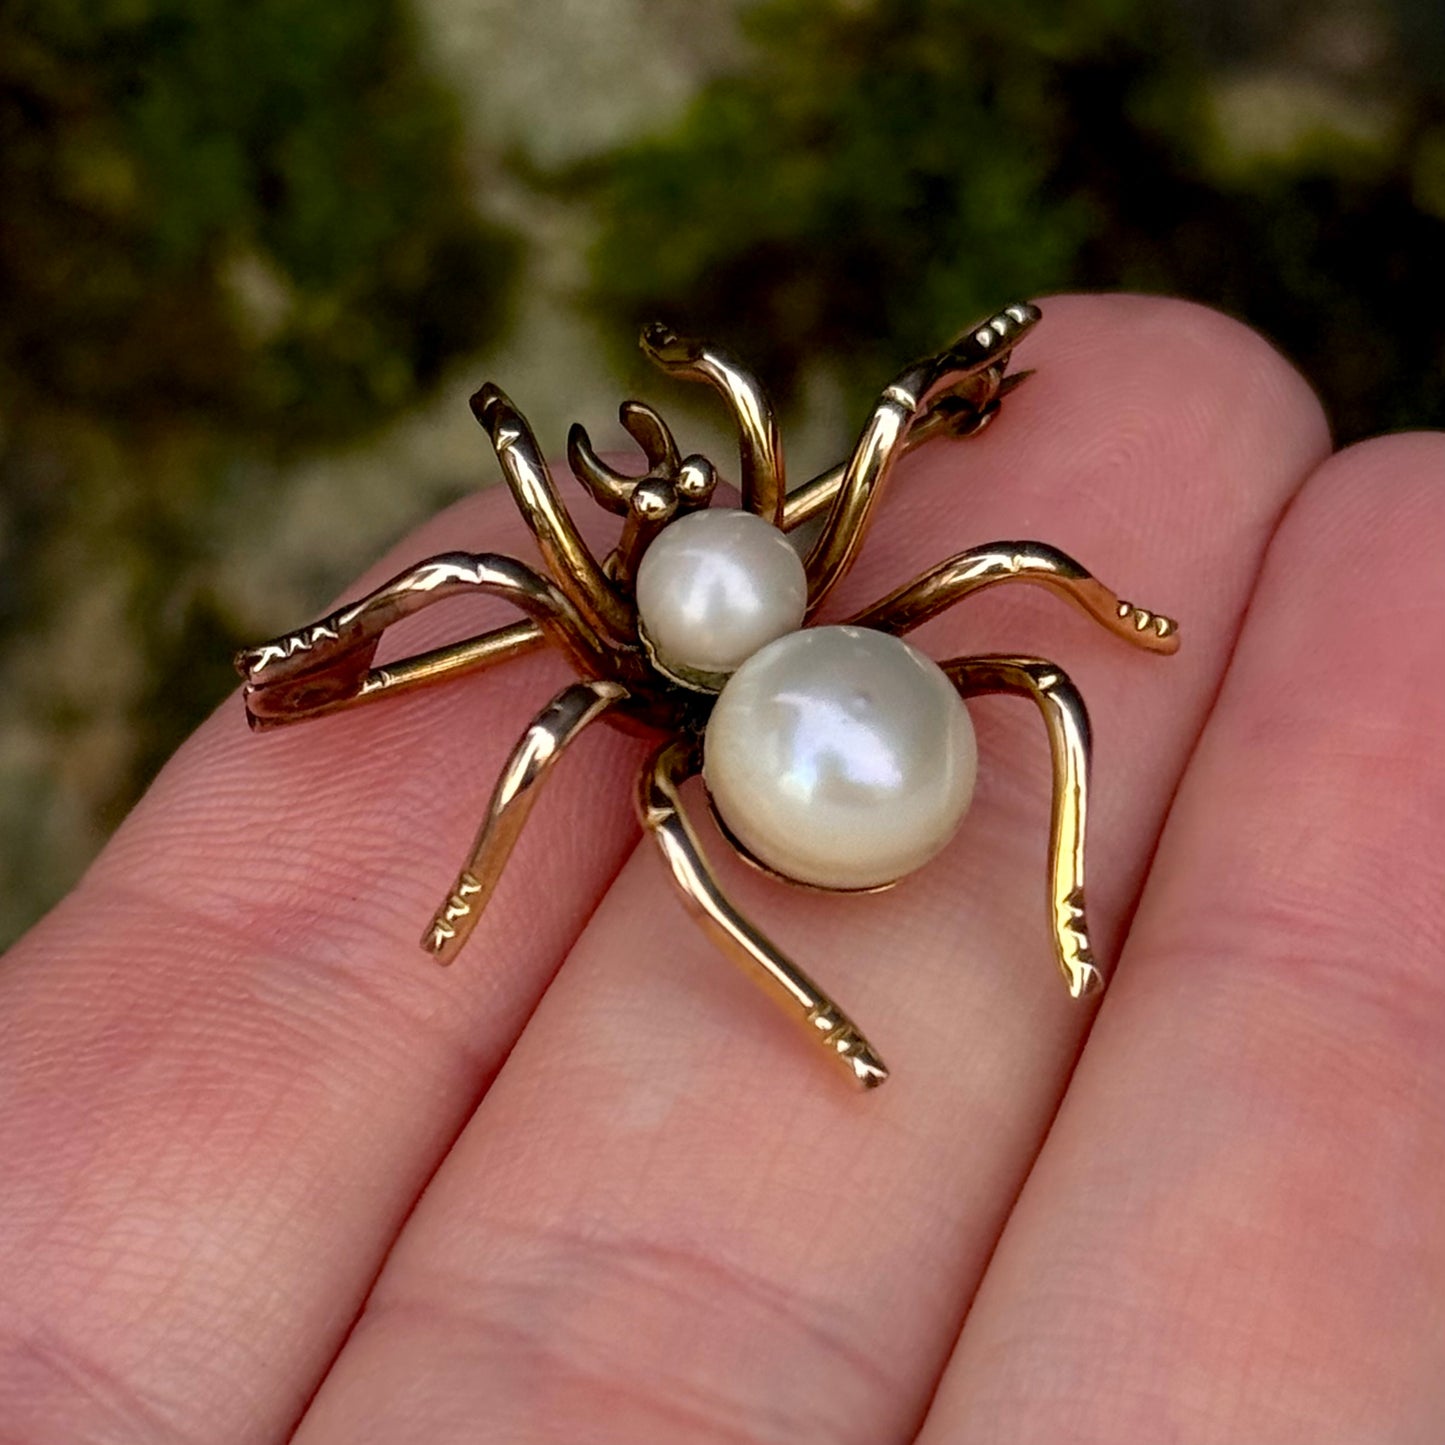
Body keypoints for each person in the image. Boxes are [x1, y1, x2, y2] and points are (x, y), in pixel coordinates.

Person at [2, 294, 1441, 1442]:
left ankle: (1053, 904)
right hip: (772, 737)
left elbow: (861, 441)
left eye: (683, 478)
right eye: (648, 494)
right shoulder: (601, 653)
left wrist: (847, 390)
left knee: (1020, 639)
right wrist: (484, 498)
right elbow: (490, 597)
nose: (669, 493)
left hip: (843, 704)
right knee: (629, 714)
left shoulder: (751, 542)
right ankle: (844, 991)